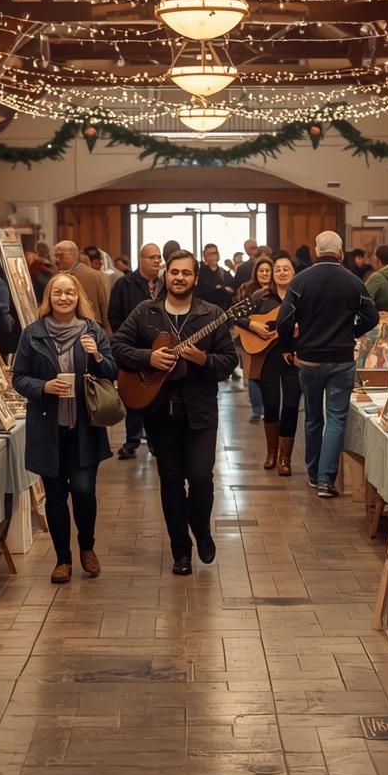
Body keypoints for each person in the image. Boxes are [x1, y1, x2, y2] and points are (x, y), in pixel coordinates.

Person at [112, 250, 238, 575]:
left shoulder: (212, 314)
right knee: (170, 481)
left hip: (200, 413)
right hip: (158, 412)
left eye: (186, 273)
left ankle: (202, 530)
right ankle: (180, 550)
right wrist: (147, 359)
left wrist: (202, 360)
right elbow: (117, 346)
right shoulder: (146, 312)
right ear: (166, 276)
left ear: (196, 278)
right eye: (174, 272)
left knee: (200, 478)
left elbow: (229, 361)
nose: (179, 278)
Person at [11, 273, 118, 583]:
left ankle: (87, 547)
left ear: (77, 297)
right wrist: (44, 386)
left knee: (84, 491)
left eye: (69, 292)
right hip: (48, 430)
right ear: (49, 298)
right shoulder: (32, 334)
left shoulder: (92, 331)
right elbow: (18, 377)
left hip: (85, 428)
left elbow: (111, 371)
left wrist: (96, 354)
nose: (63, 298)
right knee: (56, 497)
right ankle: (63, 560)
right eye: (57, 293)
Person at [276, 231, 379, 498]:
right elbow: (372, 317)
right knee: (336, 419)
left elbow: (283, 321)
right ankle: (325, 480)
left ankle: (312, 473)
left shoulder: (300, 281)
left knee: (312, 417)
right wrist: (351, 333)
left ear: (316, 251)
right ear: (341, 252)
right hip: (342, 360)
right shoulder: (353, 282)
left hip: (308, 360)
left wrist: (288, 347)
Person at [237, 254, 302, 475]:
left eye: (286, 268)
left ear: (294, 273)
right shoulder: (261, 296)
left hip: (294, 358)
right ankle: (272, 452)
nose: (281, 272)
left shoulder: (302, 297)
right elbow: (235, 314)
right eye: (277, 269)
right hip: (268, 357)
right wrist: (253, 325)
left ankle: (286, 458)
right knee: (271, 405)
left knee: (291, 406)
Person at [107, 243, 163, 459]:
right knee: (133, 398)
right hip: (132, 352)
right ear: (141, 259)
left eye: (159, 257)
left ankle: (155, 443)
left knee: (156, 398)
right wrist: (127, 341)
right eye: (152, 257)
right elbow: (114, 316)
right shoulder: (125, 284)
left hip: (159, 351)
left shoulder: (164, 285)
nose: (157, 261)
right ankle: (132, 442)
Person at [234, 256, 276, 424]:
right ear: (255, 272)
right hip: (251, 338)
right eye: (261, 270)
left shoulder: (277, 292)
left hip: (272, 341)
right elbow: (236, 314)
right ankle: (257, 410)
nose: (265, 273)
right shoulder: (247, 290)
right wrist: (251, 325)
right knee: (253, 375)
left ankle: (270, 410)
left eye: (268, 270)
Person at [54, 240, 110, 333]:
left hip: (90, 330)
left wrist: (107, 332)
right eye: (55, 256)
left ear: (73, 255)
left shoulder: (93, 276)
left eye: (60, 256)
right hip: (62, 330)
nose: (57, 260)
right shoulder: (55, 277)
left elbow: (104, 306)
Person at [195, 243, 236, 311]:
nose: (212, 256)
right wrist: (222, 289)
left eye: (214, 253)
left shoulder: (224, 273)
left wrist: (219, 288)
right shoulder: (200, 273)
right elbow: (199, 293)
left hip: (223, 309)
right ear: (204, 256)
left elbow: (232, 290)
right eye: (209, 254)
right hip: (204, 310)